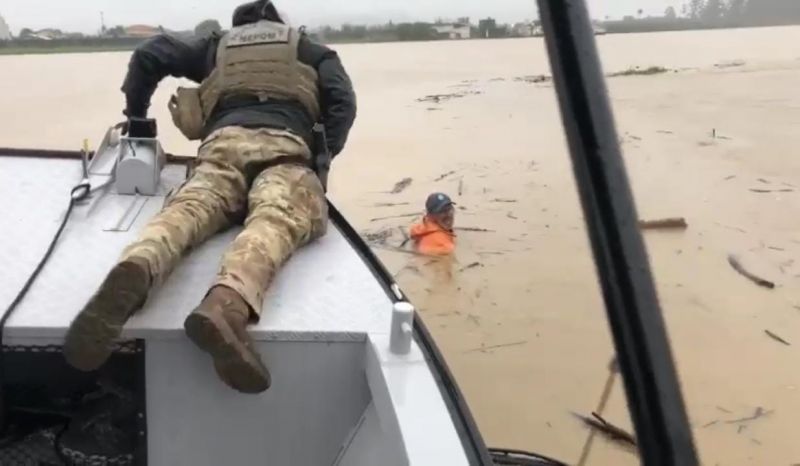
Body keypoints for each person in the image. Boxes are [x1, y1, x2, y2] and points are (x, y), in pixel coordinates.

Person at [63, 0, 357, 394]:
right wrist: (323, 155)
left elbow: (150, 54)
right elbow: (343, 101)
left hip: (222, 146)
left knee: (189, 209)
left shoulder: (216, 46)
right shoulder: (311, 49)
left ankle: (139, 266)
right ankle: (226, 304)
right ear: (280, 25)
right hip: (286, 150)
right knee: (275, 219)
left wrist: (137, 117)